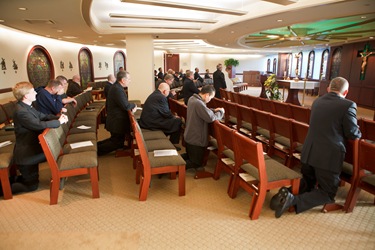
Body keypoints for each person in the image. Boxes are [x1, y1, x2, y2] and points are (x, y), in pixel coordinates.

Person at [273, 77, 362, 218]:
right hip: (327, 157)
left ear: (328, 89)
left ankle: (285, 194)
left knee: (308, 181)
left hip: (309, 152)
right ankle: (292, 199)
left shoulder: (317, 102)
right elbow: (352, 133)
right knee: (327, 193)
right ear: (346, 92)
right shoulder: (348, 105)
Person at [11, 81, 68, 194]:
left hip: (32, 148)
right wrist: (58, 122)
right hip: (26, 154)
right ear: (26, 96)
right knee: (31, 185)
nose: (36, 93)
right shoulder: (21, 111)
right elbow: (38, 125)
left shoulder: (27, 106)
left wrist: (57, 118)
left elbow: (43, 116)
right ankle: (4, 186)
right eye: (33, 92)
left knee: (30, 180)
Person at [182, 85, 225, 170]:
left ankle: (173, 163)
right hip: (196, 139)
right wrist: (220, 112)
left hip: (189, 136)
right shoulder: (198, 103)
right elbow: (210, 118)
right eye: (211, 97)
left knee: (189, 156)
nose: (210, 100)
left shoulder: (192, 98)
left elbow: (203, 111)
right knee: (196, 163)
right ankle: (172, 168)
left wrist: (213, 110)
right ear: (207, 95)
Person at [97, 70, 137, 156]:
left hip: (115, 119)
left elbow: (123, 104)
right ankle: (95, 151)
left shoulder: (117, 87)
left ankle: (95, 147)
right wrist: (134, 105)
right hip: (116, 121)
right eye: (129, 79)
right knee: (116, 143)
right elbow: (126, 106)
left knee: (114, 140)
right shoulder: (117, 89)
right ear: (123, 80)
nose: (130, 81)